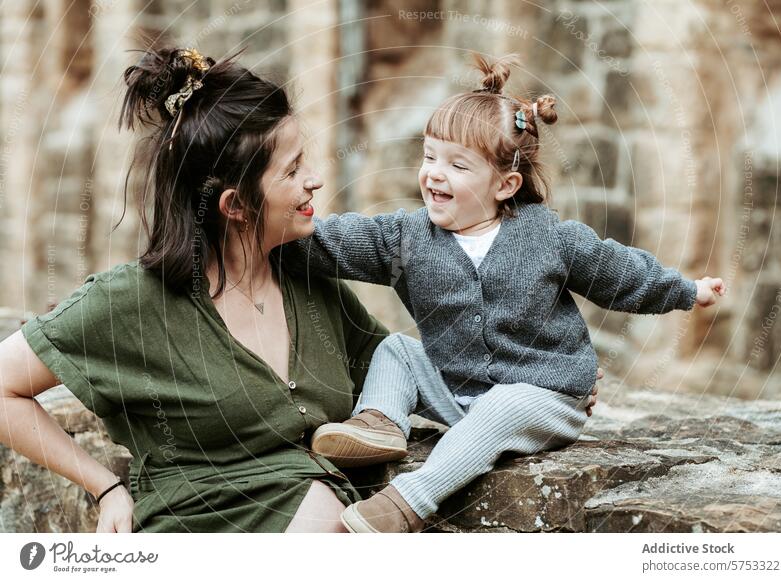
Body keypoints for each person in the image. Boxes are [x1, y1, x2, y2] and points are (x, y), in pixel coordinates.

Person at [282, 54, 727, 533]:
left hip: (545, 396)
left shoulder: (549, 238)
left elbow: (618, 273)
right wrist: (265, 232)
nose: (434, 173)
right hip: (459, 390)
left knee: (503, 405)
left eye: (457, 165)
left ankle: (407, 502)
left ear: (505, 184)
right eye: (429, 156)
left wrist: (686, 290)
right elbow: (335, 243)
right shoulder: (408, 238)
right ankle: (379, 424)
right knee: (396, 350)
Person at [0, 46, 390, 533]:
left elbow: (397, 367)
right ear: (235, 205)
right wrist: (104, 485)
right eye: (291, 170)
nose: (314, 179)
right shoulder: (132, 303)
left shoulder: (313, 286)